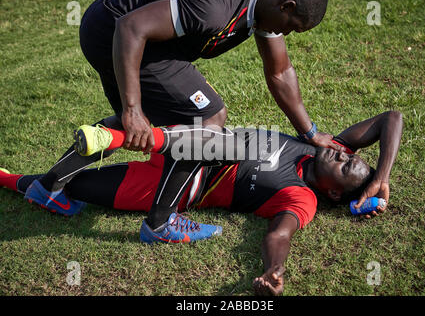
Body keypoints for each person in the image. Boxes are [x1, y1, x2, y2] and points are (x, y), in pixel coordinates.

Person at [23, 0, 346, 240]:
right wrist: (133, 109)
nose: (286, 33)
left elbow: (280, 71)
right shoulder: (216, 6)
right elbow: (131, 27)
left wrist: (310, 132)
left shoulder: (264, 9)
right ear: (286, 5)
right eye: (292, 26)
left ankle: (47, 189)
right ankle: (161, 223)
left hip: (124, 35)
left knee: (155, 118)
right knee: (207, 118)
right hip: (120, 34)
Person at [0, 111, 403, 295]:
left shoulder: (302, 198)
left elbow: (281, 233)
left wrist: (274, 270)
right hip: (191, 138)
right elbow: (392, 119)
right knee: (122, 123)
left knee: (76, 185)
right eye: (350, 154)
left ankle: (11, 179)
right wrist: (379, 179)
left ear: (334, 192)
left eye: (348, 165)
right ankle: (112, 138)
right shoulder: (321, 145)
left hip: (175, 187)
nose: (343, 154)